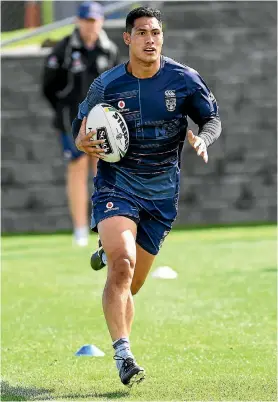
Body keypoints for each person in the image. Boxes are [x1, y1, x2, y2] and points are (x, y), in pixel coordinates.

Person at [72, 6, 222, 386]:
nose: (150, 39)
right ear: (127, 38)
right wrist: (83, 140)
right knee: (122, 264)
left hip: (161, 194)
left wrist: (202, 139)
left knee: (131, 285)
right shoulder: (106, 84)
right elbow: (80, 126)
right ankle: (124, 354)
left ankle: (109, 250)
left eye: (155, 32)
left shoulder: (184, 79)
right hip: (117, 185)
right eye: (141, 33)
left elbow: (211, 118)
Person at [42, 1, 120, 246]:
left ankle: (102, 223)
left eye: (95, 20)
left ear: (101, 22)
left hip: (101, 123)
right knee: (77, 166)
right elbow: (49, 87)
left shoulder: (109, 49)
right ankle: (79, 229)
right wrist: (65, 113)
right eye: (86, 20)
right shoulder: (64, 49)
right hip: (71, 121)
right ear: (78, 21)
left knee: (102, 170)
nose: (91, 26)